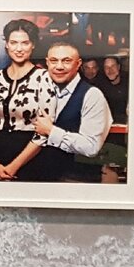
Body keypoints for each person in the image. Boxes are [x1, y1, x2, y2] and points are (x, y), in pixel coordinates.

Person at [0, 18, 56, 181]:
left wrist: (13, 167)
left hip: (30, 157)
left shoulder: (44, 78)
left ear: (33, 45)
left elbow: (44, 132)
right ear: (7, 44)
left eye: (25, 43)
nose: (19, 49)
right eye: (13, 42)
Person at [30, 41, 113, 182]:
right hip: (37, 175)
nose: (59, 66)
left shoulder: (92, 95)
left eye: (66, 61)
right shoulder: (36, 90)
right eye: (54, 61)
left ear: (78, 64)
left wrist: (51, 131)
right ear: (47, 63)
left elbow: (91, 147)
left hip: (75, 179)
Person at [98, 55, 129, 121]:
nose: (110, 70)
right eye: (106, 67)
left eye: (113, 66)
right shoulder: (100, 85)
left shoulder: (129, 82)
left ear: (118, 67)